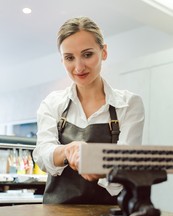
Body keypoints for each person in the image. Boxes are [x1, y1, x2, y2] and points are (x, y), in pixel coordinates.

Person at [33, 16, 145, 204]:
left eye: (87, 54)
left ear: (104, 52)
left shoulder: (129, 104)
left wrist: (96, 162)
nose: (79, 67)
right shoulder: (52, 104)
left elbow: (127, 165)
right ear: (62, 60)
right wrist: (70, 150)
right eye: (69, 58)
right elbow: (42, 154)